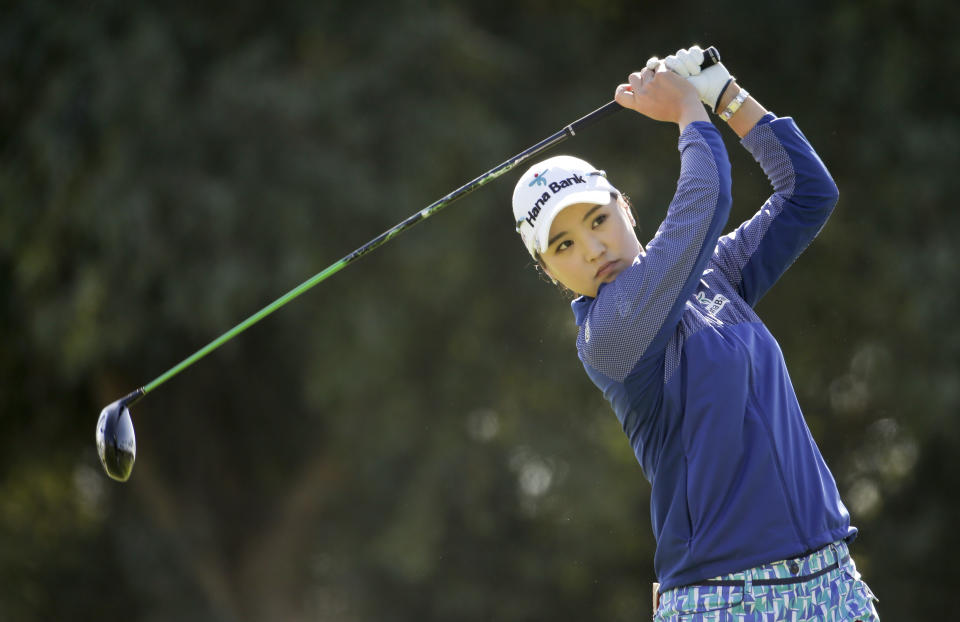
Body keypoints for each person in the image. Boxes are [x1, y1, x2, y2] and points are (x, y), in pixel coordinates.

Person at [510, 46, 880, 621]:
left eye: (597, 220)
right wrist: (689, 114)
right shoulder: (609, 336)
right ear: (550, 272)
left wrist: (724, 95)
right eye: (563, 247)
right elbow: (706, 199)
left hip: (832, 583)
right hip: (725, 600)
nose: (593, 249)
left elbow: (808, 193)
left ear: (624, 209)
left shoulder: (712, 277)